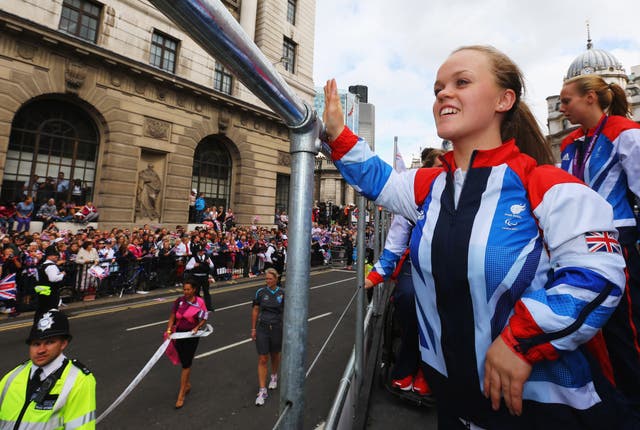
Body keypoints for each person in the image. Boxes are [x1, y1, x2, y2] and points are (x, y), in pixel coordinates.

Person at [322, 45, 636, 428]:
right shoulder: (428, 186)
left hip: (542, 409)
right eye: (438, 87)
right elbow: (376, 178)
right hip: (455, 404)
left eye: (462, 82)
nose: (442, 93)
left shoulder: (548, 185)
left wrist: (519, 342)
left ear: (504, 100)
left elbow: (600, 277)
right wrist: (337, 133)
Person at [559, 74, 640, 409]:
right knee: (587, 321)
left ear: (591, 97)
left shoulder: (624, 132)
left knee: (624, 324)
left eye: (567, 101)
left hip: (617, 236)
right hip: (576, 239)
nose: (562, 108)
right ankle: (608, 395)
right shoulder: (569, 142)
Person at [365, 148, 444, 397]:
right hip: (416, 261)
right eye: (437, 169)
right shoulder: (414, 196)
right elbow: (397, 240)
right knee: (408, 297)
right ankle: (408, 364)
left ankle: (430, 371)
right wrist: (376, 274)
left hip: (448, 263)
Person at [0, 310, 96, 429]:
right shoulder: (12, 376)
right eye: (36, 344)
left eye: (49, 342)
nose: (41, 350)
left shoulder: (78, 380)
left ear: (63, 344)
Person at [165, 281, 208, 409]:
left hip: (191, 337)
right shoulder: (179, 301)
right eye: (184, 289)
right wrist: (168, 330)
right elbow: (172, 317)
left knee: (186, 364)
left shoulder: (199, 302)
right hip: (178, 335)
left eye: (189, 289)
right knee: (183, 360)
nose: (186, 292)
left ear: (194, 290)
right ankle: (187, 384)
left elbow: (204, 317)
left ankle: (181, 394)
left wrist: (197, 327)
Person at [251, 268, 284, 406]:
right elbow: (255, 310)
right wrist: (253, 328)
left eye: (270, 279)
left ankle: (274, 376)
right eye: (266, 279)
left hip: (276, 327)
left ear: (276, 279)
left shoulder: (282, 293)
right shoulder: (260, 292)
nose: (268, 281)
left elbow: (288, 310)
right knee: (263, 358)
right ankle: (262, 390)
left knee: (275, 354)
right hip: (262, 328)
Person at [35, 246, 67, 317]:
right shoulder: (51, 266)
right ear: (49, 256)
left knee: (42, 310)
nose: (57, 257)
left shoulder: (42, 265)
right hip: (51, 291)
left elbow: (37, 278)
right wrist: (62, 274)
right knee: (51, 310)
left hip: (42, 291)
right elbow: (53, 279)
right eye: (55, 255)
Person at [185, 244, 214, 311]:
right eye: (199, 251)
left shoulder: (207, 257)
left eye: (202, 251)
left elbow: (212, 266)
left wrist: (209, 264)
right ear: (197, 252)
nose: (201, 252)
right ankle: (196, 307)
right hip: (196, 277)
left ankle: (209, 307)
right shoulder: (194, 258)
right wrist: (193, 266)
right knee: (196, 292)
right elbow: (187, 267)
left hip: (204, 277)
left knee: (206, 292)